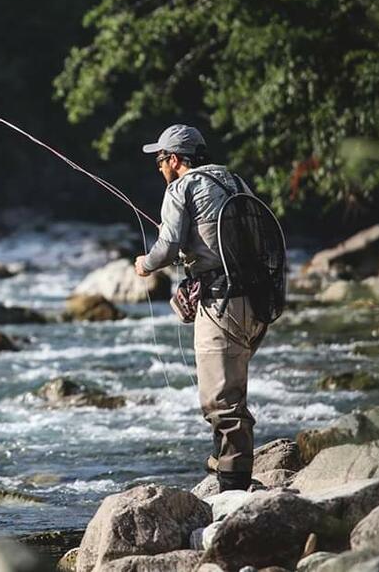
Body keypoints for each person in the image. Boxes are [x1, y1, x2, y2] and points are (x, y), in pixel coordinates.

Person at [133, 124, 268, 491]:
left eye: (160, 160)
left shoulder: (182, 187)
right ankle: (225, 471)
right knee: (232, 392)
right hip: (256, 303)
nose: (159, 167)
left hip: (221, 304)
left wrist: (145, 264)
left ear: (175, 159)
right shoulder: (235, 181)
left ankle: (232, 488)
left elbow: (169, 245)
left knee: (220, 401)